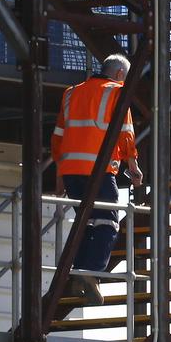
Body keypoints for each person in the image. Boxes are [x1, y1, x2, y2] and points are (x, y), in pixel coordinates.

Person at [50, 52, 143, 305]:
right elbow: (126, 133)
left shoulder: (71, 93)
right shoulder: (116, 91)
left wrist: (60, 175)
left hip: (71, 170)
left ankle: (76, 274)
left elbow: (58, 136)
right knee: (108, 222)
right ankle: (91, 273)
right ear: (121, 74)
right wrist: (133, 166)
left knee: (86, 222)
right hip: (98, 169)